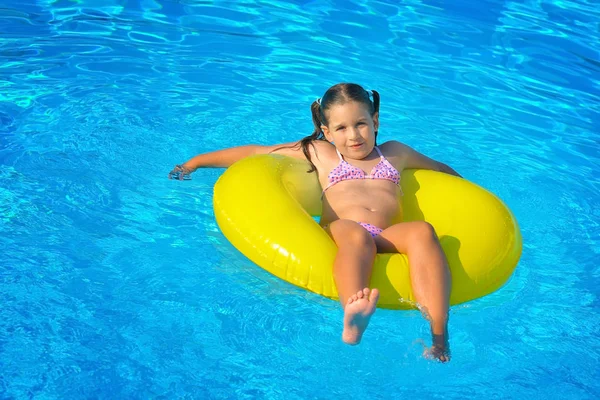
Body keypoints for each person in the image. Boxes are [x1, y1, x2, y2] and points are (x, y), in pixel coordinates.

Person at [169, 83, 461, 362]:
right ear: (326, 131)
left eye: (361, 123)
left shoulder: (396, 152)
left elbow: (439, 169)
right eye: (341, 128)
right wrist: (194, 163)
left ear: (375, 121)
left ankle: (439, 335)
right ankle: (353, 316)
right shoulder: (320, 152)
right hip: (342, 231)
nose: (354, 135)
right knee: (354, 233)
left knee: (422, 231)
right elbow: (255, 152)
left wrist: (471, 196)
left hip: (387, 235)